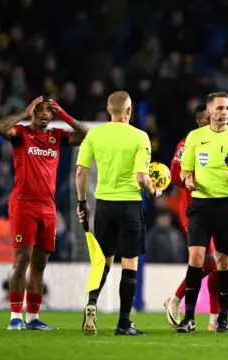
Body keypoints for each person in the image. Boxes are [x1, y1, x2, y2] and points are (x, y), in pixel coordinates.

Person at [0, 96, 88, 330]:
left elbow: (88, 135)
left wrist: (66, 116)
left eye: (50, 111)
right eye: (41, 110)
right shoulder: (21, 133)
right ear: (33, 111)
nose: (46, 114)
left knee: (39, 265)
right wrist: (24, 113)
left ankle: (33, 318)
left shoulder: (57, 136)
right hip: (23, 204)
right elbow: (0, 127)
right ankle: (15, 317)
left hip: (48, 207)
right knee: (21, 261)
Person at [76, 91, 159, 336]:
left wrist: (82, 202)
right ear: (129, 110)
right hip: (130, 205)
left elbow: (80, 173)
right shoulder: (139, 136)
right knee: (129, 264)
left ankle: (92, 303)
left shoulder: (95, 134)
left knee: (103, 262)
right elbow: (142, 178)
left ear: (108, 110)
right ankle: (123, 323)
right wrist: (154, 193)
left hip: (104, 205)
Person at [175, 92, 228, 333]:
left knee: (224, 261)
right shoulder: (195, 137)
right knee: (196, 259)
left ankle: (221, 319)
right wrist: (187, 179)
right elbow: (183, 171)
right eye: (220, 108)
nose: (224, 112)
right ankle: (189, 318)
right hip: (201, 205)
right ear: (209, 112)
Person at [164, 104, 228, 332]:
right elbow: (174, 173)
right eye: (209, 119)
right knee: (207, 261)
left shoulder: (225, 141)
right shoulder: (188, 142)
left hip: (219, 210)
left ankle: (215, 320)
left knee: (218, 265)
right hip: (194, 211)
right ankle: (175, 301)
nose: (215, 121)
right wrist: (190, 178)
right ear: (200, 121)